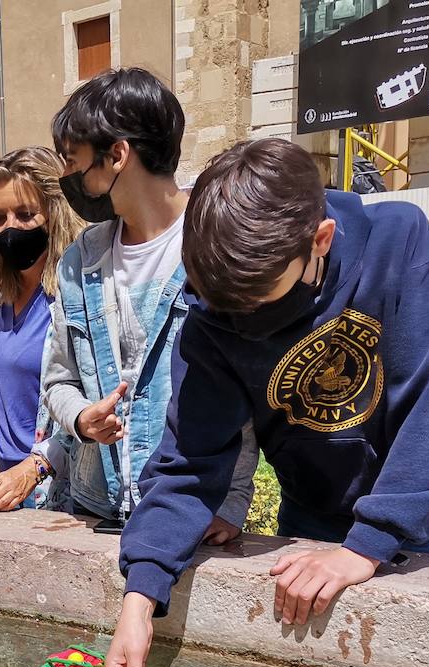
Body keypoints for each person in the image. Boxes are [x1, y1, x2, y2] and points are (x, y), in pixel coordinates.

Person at [104, 138, 429, 667]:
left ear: (321, 241)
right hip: (314, 518)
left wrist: (365, 547)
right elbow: (189, 461)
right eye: (226, 308)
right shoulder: (213, 308)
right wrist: (139, 597)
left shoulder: (400, 247)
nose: (243, 324)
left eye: (260, 301)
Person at [43, 68, 257, 536]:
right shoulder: (81, 261)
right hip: (99, 511)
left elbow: (244, 395)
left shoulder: (216, 243)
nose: (66, 176)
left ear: (117, 154)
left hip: (193, 513)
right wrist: (81, 417)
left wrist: (232, 503)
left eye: (72, 159)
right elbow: (58, 380)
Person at [0, 148, 82, 512]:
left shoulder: (73, 296)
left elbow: (94, 405)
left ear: (53, 214)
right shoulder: (4, 301)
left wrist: (34, 468)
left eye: (26, 214)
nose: (10, 227)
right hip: (11, 488)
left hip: (59, 490)